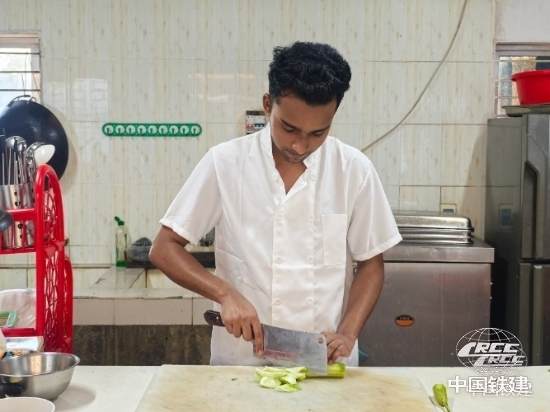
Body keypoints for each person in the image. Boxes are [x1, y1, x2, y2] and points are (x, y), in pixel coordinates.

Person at [149, 41, 402, 367]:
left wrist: (348, 333)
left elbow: (371, 263)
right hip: (242, 362)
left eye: (318, 133)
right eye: (289, 128)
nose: (300, 145)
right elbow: (164, 248)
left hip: (323, 361)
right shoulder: (225, 163)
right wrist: (225, 294)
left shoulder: (354, 170)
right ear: (268, 105)